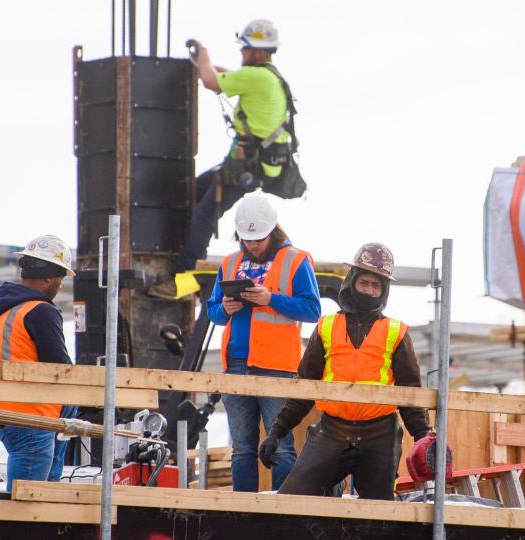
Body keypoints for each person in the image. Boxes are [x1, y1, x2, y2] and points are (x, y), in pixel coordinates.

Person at [259, 243, 432, 500]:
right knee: (293, 500)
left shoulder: (397, 333)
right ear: (352, 282)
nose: (370, 291)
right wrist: (276, 432)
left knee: (380, 512)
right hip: (332, 430)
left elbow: (411, 396)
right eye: (365, 283)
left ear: (384, 291)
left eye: (377, 286)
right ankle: (332, 486)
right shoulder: (326, 326)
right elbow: (304, 387)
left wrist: (423, 440)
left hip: (380, 433)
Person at [149, 19, 296, 300]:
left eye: (245, 49)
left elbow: (211, 81)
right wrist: (204, 65)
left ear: (257, 51)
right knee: (194, 192)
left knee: (205, 213)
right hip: (246, 165)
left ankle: (185, 275)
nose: (241, 54)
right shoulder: (265, 77)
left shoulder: (257, 77)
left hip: (246, 167)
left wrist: (202, 54)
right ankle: (191, 258)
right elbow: (221, 78)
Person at [207, 194, 321, 491]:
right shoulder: (230, 262)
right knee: (242, 448)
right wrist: (225, 310)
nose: (253, 244)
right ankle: (242, 515)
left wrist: (271, 299)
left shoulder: (296, 260)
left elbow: (312, 310)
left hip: (277, 369)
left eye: (258, 238)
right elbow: (213, 311)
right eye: (247, 239)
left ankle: (283, 513)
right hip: (236, 366)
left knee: (282, 448)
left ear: (273, 230)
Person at [0, 235, 78, 492]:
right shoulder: (39, 310)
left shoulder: (3, 308)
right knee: (27, 505)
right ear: (48, 278)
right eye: (60, 279)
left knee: (69, 408)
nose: (60, 285)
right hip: (27, 415)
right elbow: (60, 368)